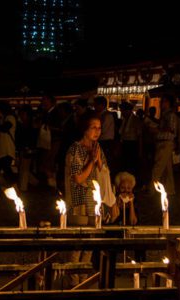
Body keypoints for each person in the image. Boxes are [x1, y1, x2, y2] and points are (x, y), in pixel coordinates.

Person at [64, 111, 116, 288]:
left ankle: (83, 281)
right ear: (85, 129)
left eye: (99, 128)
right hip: (79, 203)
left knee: (88, 246)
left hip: (93, 203)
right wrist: (92, 161)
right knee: (77, 245)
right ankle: (72, 283)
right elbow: (78, 178)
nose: (97, 131)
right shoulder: (75, 148)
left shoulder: (97, 148)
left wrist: (98, 161)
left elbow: (104, 173)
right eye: (93, 127)